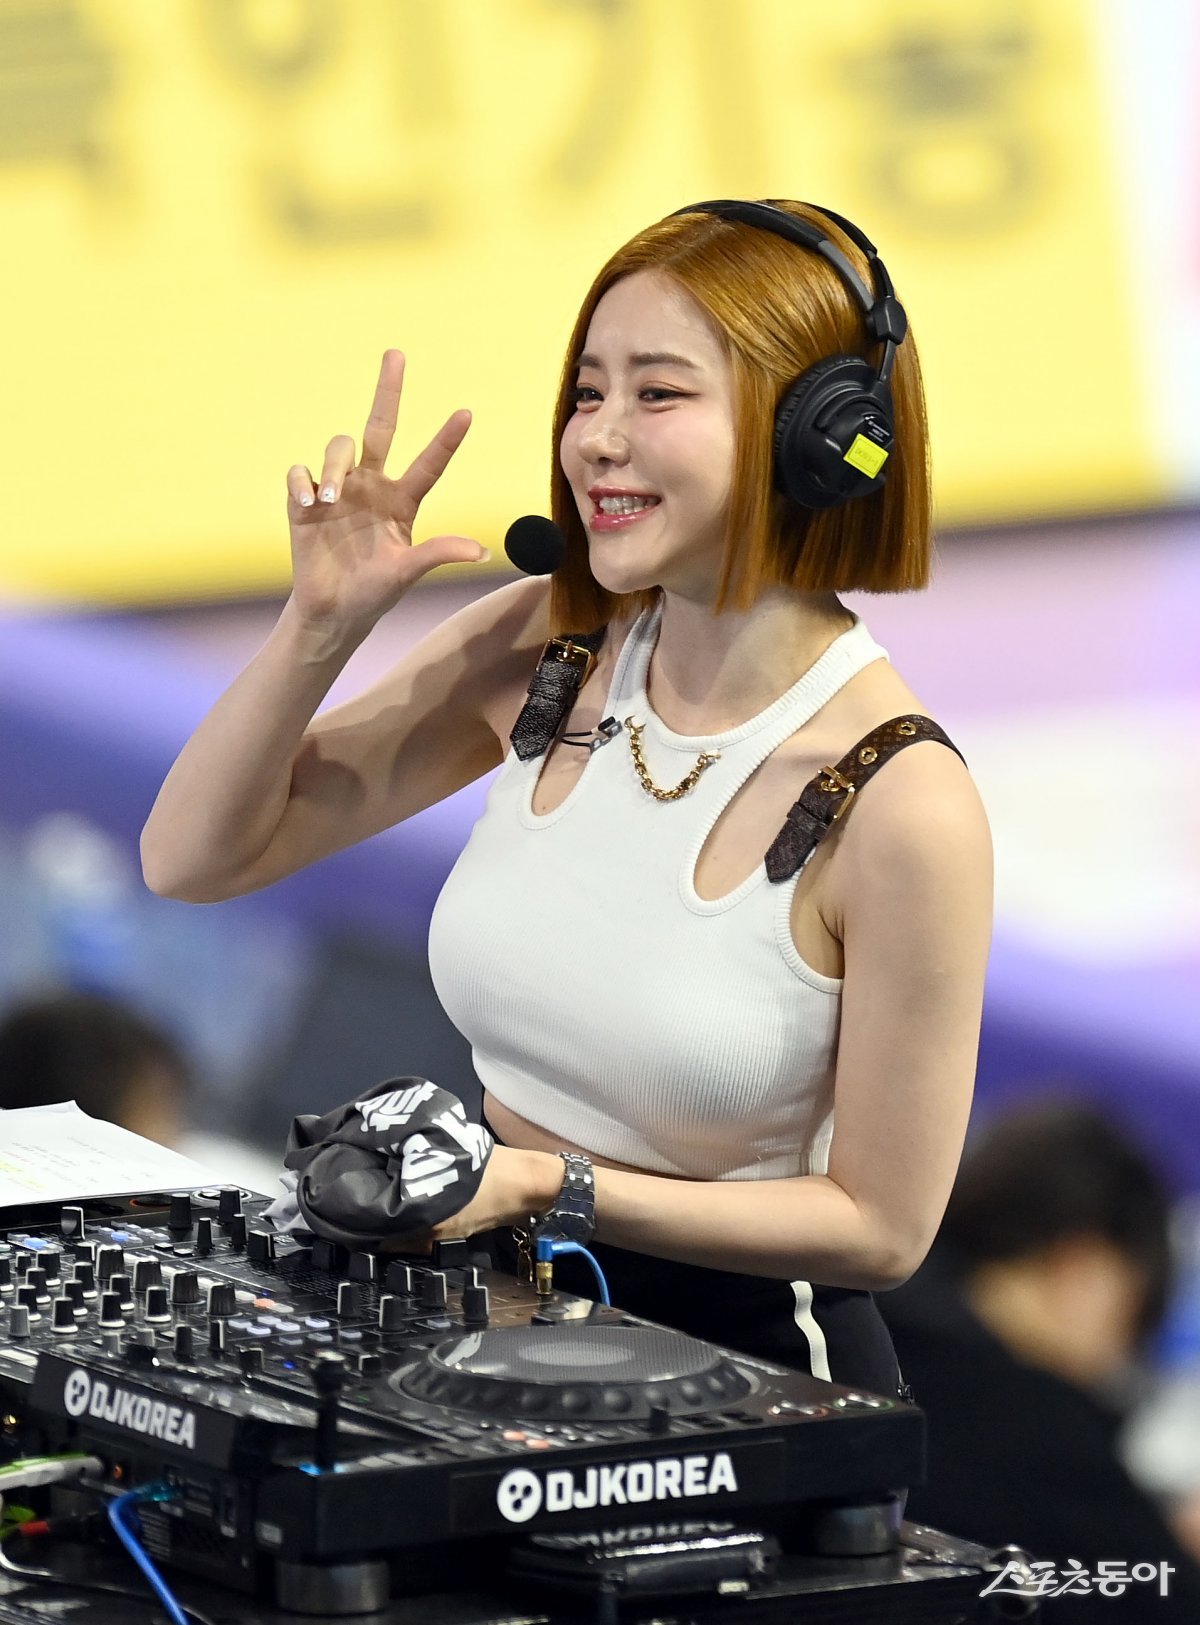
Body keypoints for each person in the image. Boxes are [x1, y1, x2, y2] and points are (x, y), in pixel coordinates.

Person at [141, 199, 993, 1394]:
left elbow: (883, 1229)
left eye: (657, 393)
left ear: (814, 434)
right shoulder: (550, 642)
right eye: (588, 393)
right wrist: (319, 627)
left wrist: (550, 1186)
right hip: (493, 1303)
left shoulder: (904, 803)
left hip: (753, 1375)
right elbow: (192, 857)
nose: (596, 437)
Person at [881, 1100, 1200, 1620]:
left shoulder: (853, 1321)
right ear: (1082, 1266)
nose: (1117, 1363)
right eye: (1134, 1319)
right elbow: (1164, 1595)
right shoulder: (1039, 1427)